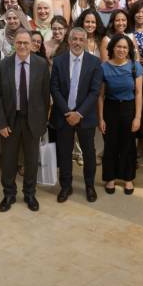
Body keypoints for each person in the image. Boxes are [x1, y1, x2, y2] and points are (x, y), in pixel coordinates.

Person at [0, 28, 51, 211]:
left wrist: (43, 123)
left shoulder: (41, 65)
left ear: (32, 44)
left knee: (32, 161)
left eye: (26, 43)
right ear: (14, 44)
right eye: (19, 43)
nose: (23, 46)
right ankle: (9, 194)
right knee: (8, 161)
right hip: (11, 120)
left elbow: (45, 96)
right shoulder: (3, 66)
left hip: (33, 121)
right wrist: (1, 123)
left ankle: (29, 194)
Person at [51, 22, 102, 202]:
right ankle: (66, 187)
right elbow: (54, 89)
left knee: (89, 153)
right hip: (63, 116)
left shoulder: (95, 62)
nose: (77, 42)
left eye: (81, 39)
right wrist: (67, 112)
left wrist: (78, 113)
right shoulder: (58, 61)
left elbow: (95, 91)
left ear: (86, 42)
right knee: (64, 153)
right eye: (74, 39)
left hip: (85, 116)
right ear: (69, 40)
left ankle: (89, 186)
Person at [99, 33, 143, 195]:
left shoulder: (135, 67)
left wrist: (138, 117)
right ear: (112, 48)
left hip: (129, 108)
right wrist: (101, 118)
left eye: (125, 47)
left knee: (128, 144)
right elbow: (101, 95)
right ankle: (110, 178)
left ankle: (128, 178)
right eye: (118, 46)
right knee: (110, 144)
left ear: (129, 49)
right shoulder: (104, 67)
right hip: (110, 108)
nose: (121, 50)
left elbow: (139, 93)